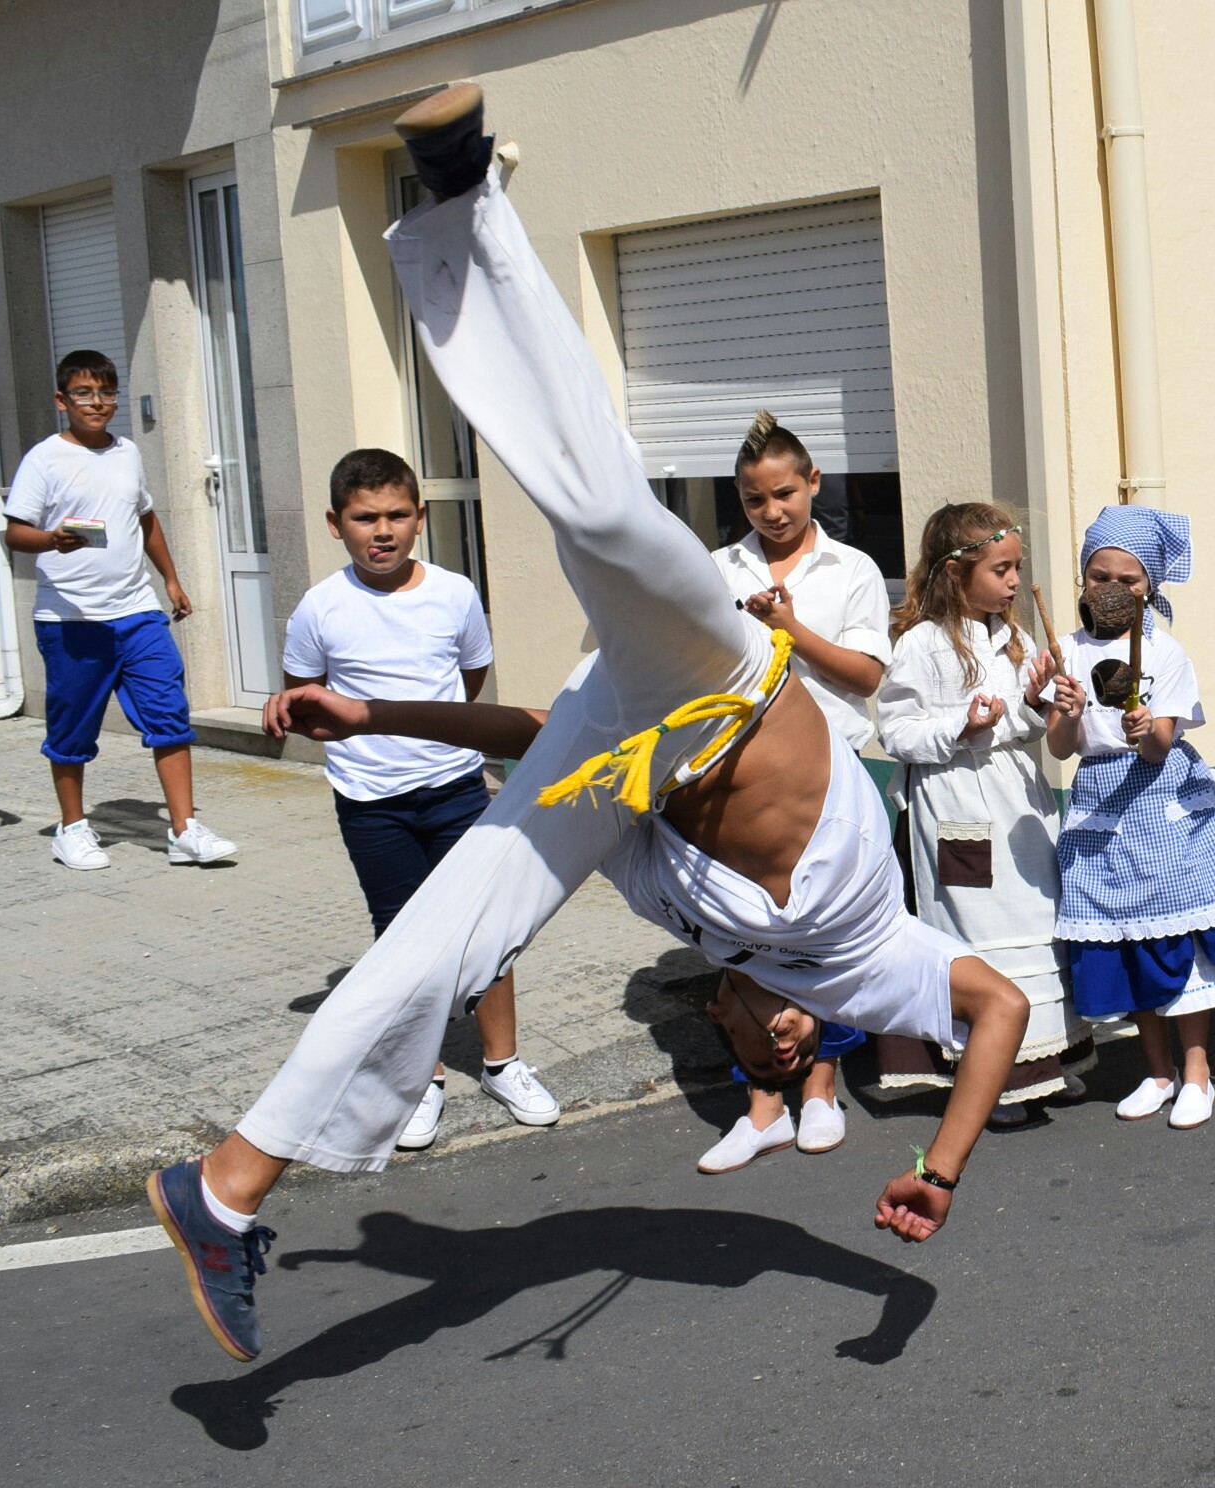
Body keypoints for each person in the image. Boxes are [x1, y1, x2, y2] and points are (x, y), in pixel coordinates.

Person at [145, 84, 1035, 1365]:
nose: (781, 1036)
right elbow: (998, 1013)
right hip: (722, 677)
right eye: (789, 1041)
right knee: (611, 517)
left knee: (435, 947)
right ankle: (465, 196)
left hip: (629, 764)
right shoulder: (879, 964)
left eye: (763, 1042)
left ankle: (224, 1189)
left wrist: (375, 711)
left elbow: (546, 732)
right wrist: (940, 1173)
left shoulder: (686, 914)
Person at [272, 446, 559, 1153]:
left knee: (487, 932)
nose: (382, 531)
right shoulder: (319, 607)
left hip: (457, 789)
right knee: (402, 939)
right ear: (335, 523)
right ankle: (420, 1078)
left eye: (397, 515)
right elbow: (306, 694)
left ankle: (502, 1064)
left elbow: (470, 677)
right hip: (371, 801)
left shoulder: (454, 593)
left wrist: (433, 739)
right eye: (364, 518)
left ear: (420, 518)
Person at [695, 410, 892, 1172]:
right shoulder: (718, 569)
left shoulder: (852, 569)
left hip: (830, 775)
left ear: (813, 483)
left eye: (784, 494)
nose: (771, 511)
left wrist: (788, 630)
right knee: (745, 935)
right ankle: (761, 1104)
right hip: (739, 775)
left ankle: (820, 1089)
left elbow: (865, 676)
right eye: (754, 499)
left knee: (822, 935)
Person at [1047, 505, 1215, 1130]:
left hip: (1161, 800)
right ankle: (1157, 1071)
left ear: (1150, 586)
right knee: (1129, 937)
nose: (1112, 589)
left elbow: (1159, 746)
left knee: (1180, 940)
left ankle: (1196, 1071)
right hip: (1099, 805)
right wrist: (1066, 711)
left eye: (1129, 579)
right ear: (1083, 579)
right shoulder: (1065, 651)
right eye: (1100, 576)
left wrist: (1145, 727)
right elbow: (1061, 747)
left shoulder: (1163, 652)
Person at [877, 502, 1090, 1128]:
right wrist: (961, 725)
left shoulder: (1011, 638)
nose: (1015, 581)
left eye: (1017, 567)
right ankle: (991, 1078)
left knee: (1036, 921)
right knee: (976, 932)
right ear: (955, 572)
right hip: (956, 804)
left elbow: (1024, 726)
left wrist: (1038, 701)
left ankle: (1045, 1062)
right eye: (1001, 569)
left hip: (1016, 799)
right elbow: (896, 731)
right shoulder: (921, 643)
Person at [1, 350, 235, 871]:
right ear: (62, 400)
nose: (97, 403)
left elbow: (145, 518)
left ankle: (183, 831)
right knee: (72, 729)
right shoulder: (44, 459)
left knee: (169, 713)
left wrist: (170, 578)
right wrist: (52, 539)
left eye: (106, 393)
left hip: (137, 612)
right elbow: (14, 533)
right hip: (71, 621)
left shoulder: (127, 452)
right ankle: (72, 829)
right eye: (84, 393)